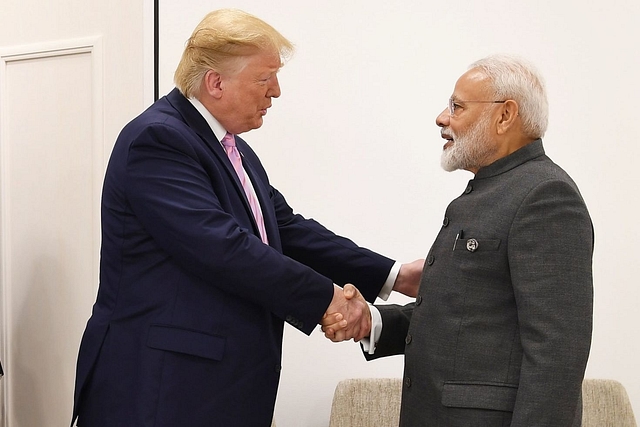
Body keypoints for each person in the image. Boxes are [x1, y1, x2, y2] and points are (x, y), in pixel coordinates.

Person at [71, 9, 423, 427]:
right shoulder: (158, 140)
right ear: (215, 82)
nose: (275, 92)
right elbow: (224, 247)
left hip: (214, 388)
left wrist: (394, 275)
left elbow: (286, 231)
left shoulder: (233, 149)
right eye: (264, 78)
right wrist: (328, 300)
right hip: (159, 387)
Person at [323, 54, 594, 426]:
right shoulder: (489, 191)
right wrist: (373, 322)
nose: (442, 118)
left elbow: (557, 353)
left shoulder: (545, 196)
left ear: (505, 115)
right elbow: (465, 318)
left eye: (457, 106)